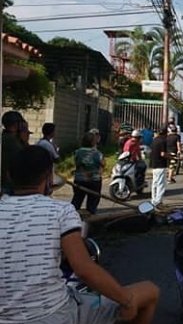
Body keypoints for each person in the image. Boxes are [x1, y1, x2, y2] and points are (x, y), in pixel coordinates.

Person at [0, 146, 159, 323]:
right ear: (49, 177)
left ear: (9, 175)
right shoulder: (61, 211)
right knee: (150, 291)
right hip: (53, 315)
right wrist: (126, 301)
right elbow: (83, 269)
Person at [72, 132, 105, 214]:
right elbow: (103, 163)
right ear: (93, 142)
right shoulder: (97, 153)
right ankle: (90, 217)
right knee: (92, 201)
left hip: (79, 180)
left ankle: (72, 216)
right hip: (94, 180)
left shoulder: (77, 152)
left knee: (77, 200)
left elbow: (76, 163)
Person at [2, 111, 26, 191]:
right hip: (8, 183)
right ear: (16, 124)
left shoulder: (5, 137)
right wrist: (24, 140)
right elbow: (26, 157)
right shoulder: (11, 140)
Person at [149, 128, 168, 207]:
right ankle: (158, 202)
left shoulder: (154, 140)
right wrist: (170, 156)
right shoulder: (163, 141)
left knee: (155, 183)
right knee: (161, 184)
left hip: (154, 164)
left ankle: (153, 200)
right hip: (161, 164)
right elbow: (163, 154)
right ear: (165, 134)